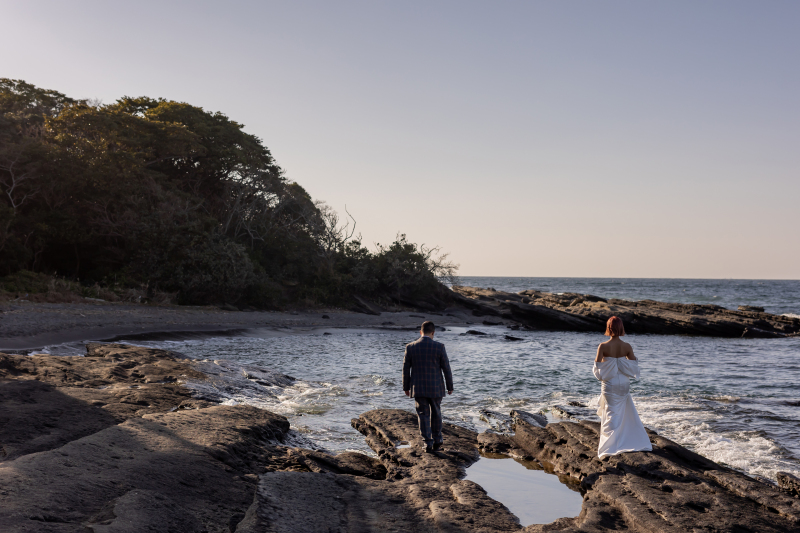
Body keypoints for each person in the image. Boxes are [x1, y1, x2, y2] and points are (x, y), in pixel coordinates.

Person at [593, 316, 652, 458]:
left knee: (611, 412)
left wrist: (611, 365)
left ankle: (610, 446)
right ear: (621, 328)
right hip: (624, 384)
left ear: (609, 328)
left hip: (610, 384)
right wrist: (621, 363)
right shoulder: (627, 346)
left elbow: (598, 370)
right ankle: (627, 439)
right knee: (623, 411)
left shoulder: (603, 346)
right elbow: (634, 366)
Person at [403, 321, 453, 453]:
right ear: (433, 333)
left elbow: (405, 369)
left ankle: (427, 443)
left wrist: (406, 387)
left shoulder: (410, 347)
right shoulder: (439, 347)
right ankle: (438, 440)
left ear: (420, 332)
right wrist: (450, 386)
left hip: (418, 387)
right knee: (436, 413)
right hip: (436, 387)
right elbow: (446, 368)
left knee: (423, 415)